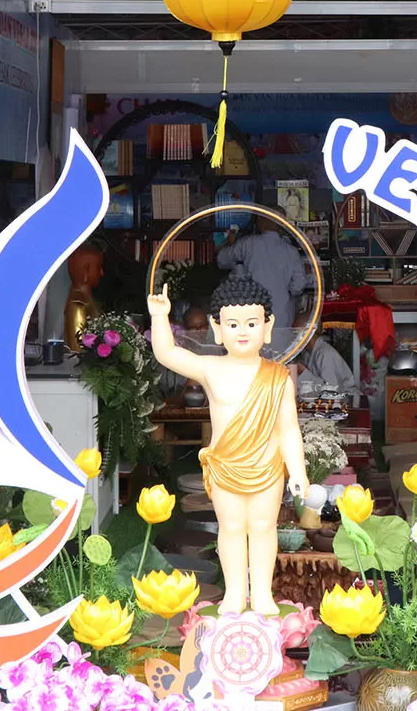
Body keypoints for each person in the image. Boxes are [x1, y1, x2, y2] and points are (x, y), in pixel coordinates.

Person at [148, 276, 308, 616]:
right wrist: (160, 317)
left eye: (252, 323)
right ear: (217, 329)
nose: (243, 331)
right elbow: (167, 353)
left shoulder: (278, 377)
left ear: (268, 327)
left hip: (267, 468)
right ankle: (235, 592)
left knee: (263, 527)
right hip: (225, 467)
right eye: (233, 324)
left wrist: (298, 471)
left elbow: (289, 429)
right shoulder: (211, 368)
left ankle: (262, 593)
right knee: (232, 528)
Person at [217, 218, 310, 353]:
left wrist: (230, 242)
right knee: (279, 360)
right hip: (281, 317)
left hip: (250, 314)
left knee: (251, 357)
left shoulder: (248, 244)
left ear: (261, 223)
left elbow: (222, 260)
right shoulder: (291, 251)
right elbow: (298, 286)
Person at [294, 332, 358, 394]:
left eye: (296, 333)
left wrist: (303, 372)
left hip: (346, 398)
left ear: (308, 332)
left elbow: (331, 389)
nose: (294, 337)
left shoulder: (325, 353)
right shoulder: (307, 353)